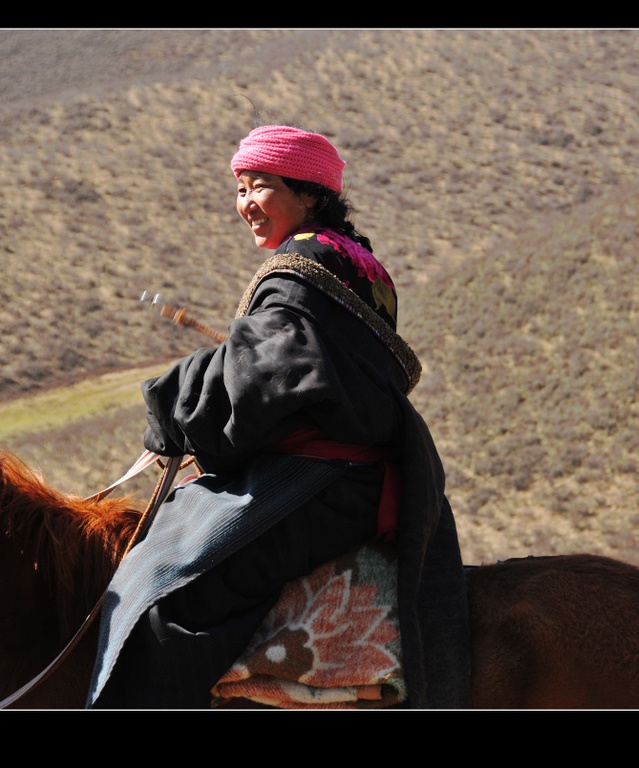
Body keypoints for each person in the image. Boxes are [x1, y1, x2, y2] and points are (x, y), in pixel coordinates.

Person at [87, 125, 470, 708]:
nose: (245, 205)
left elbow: (264, 377)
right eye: (240, 189)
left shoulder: (304, 261)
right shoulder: (359, 263)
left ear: (310, 193)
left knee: (170, 593)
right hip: (355, 472)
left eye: (260, 186)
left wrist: (170, 404)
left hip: (325, 480)